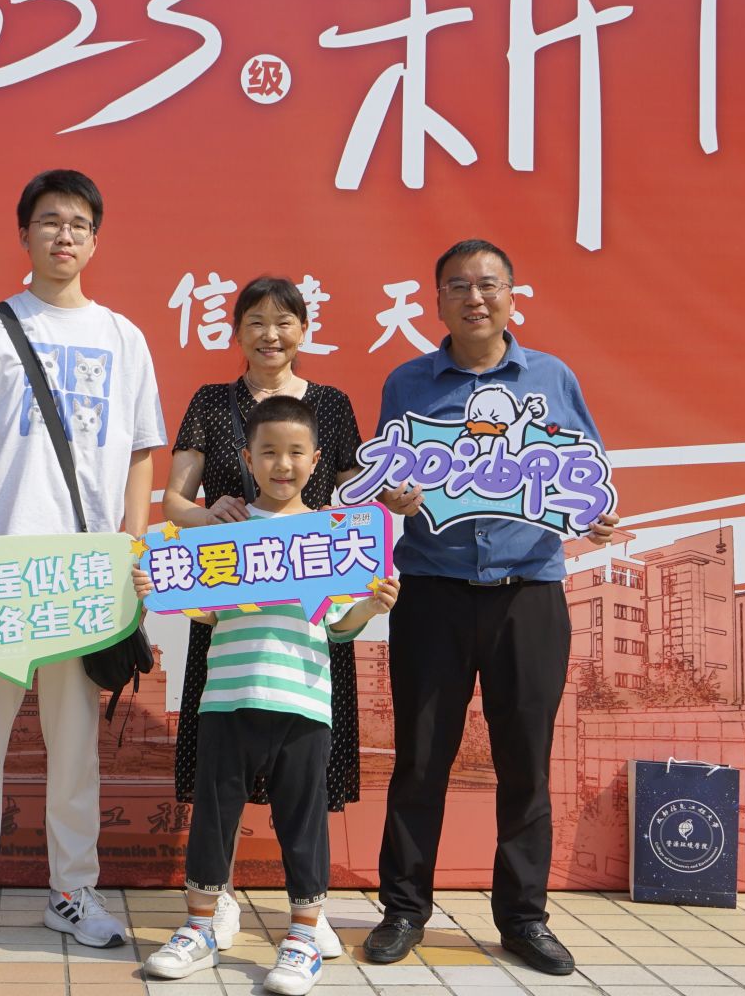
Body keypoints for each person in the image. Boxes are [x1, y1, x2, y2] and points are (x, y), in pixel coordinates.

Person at [0, 169, 166, 951]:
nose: (65, 235)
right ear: (23, 233)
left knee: (76, 747)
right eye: (50, 220)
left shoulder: (123, 337)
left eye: (79, 224)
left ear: (95, 240)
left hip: (82, 576)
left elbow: (141, 453)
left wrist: (131, 543)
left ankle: (72, 892)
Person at [361, 239, 618, 977]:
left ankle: (524, 918)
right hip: (432, 594)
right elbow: (387, 476)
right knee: (420, 760)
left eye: (488, 284)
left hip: (528, 594)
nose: (474, 298)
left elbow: (587, 468)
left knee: (525, 764)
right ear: (438, 302)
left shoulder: (552, 377)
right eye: (458, 286)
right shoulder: (408, 382)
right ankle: (403, 910)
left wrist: (594, 510)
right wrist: (393, 494)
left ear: (511, 295)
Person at [143, 395, 399, 995]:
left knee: (303, 822)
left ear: (316, 459)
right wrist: (159, 588)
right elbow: (206, 615)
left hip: (303, 703)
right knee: (213, 818)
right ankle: (199, 928)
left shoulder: (332, 536)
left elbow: (338, 627)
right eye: (269, 452)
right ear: (247, 458)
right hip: (226, 698)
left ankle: (303, 936)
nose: (283, 464)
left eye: (295, 452)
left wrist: (370, 605)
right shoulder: (224, 532)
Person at [160, 277, 364, 959]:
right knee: (221, 761)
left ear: (303, 329)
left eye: (284, 321)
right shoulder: (211, 402)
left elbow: (353, 496)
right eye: (255, 321)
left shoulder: (331, 405)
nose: (270, 335)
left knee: (306, 764)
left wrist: (362, 526)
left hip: (308, 602)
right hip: (231, 604)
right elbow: (175, 502)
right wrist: (205, 516)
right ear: (236, 331)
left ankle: (308, 907)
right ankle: (214, 900)